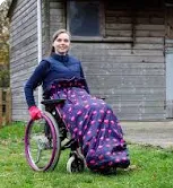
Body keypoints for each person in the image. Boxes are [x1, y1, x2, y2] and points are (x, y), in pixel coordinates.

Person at [24, 29, 130, 174]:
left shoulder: (76, 62)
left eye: (66, 40)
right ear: (54, 43)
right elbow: (29, 86)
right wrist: (32, 108)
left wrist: (91, 99)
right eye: (59, 40)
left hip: (81, 96)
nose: (62, 43)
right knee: (88, 109)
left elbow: (84, 85)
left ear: (69, 44)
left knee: (103, 107)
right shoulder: (46, 63)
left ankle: (111, 156)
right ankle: (97, 157)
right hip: (60, 100)